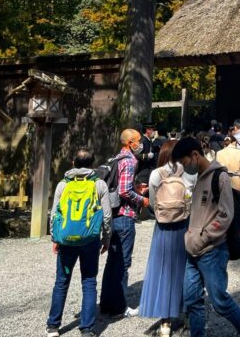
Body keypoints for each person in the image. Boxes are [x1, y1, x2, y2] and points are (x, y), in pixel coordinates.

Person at [172, 137, 240, 337]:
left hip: (213, 250)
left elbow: (225, 215)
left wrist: (203, 237)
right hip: (193, 250)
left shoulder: (219, 177)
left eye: (185, 163)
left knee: (219, 300)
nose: (185, 168)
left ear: (195, 155)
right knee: (191, 299)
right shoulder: (200, 177)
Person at [46, 148, 112, 337]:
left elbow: (55, 213)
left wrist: (56, 237)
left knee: (61, 281)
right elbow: (107, 216)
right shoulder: (99, 184)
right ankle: (87, 329)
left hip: (67, 241)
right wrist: (105, 239)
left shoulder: (63, 184)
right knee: (89, 281)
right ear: (93, 164)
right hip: (90, 240)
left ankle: (53, 326)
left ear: (73, 163)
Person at [139, 140, 196, 337]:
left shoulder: (157, 173)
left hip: (163, 227)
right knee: (187, 269)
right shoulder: (187, 172)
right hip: (184, 225)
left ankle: (165, 322)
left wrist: (161, 212)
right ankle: (188, 315)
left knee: (163, 271)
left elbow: (154, 201)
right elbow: (191, 196)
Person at [100, 129, 149, 318]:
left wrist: (134, 189)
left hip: (112, 215)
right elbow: (124, 191)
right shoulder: (129, 161)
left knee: (112, 261)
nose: (140, 143)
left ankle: (106, 304)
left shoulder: (115, 159)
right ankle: (120, 306)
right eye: (137, 140)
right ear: (130, 142)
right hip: (125, 215)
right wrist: (142, 199)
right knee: (123, 263)